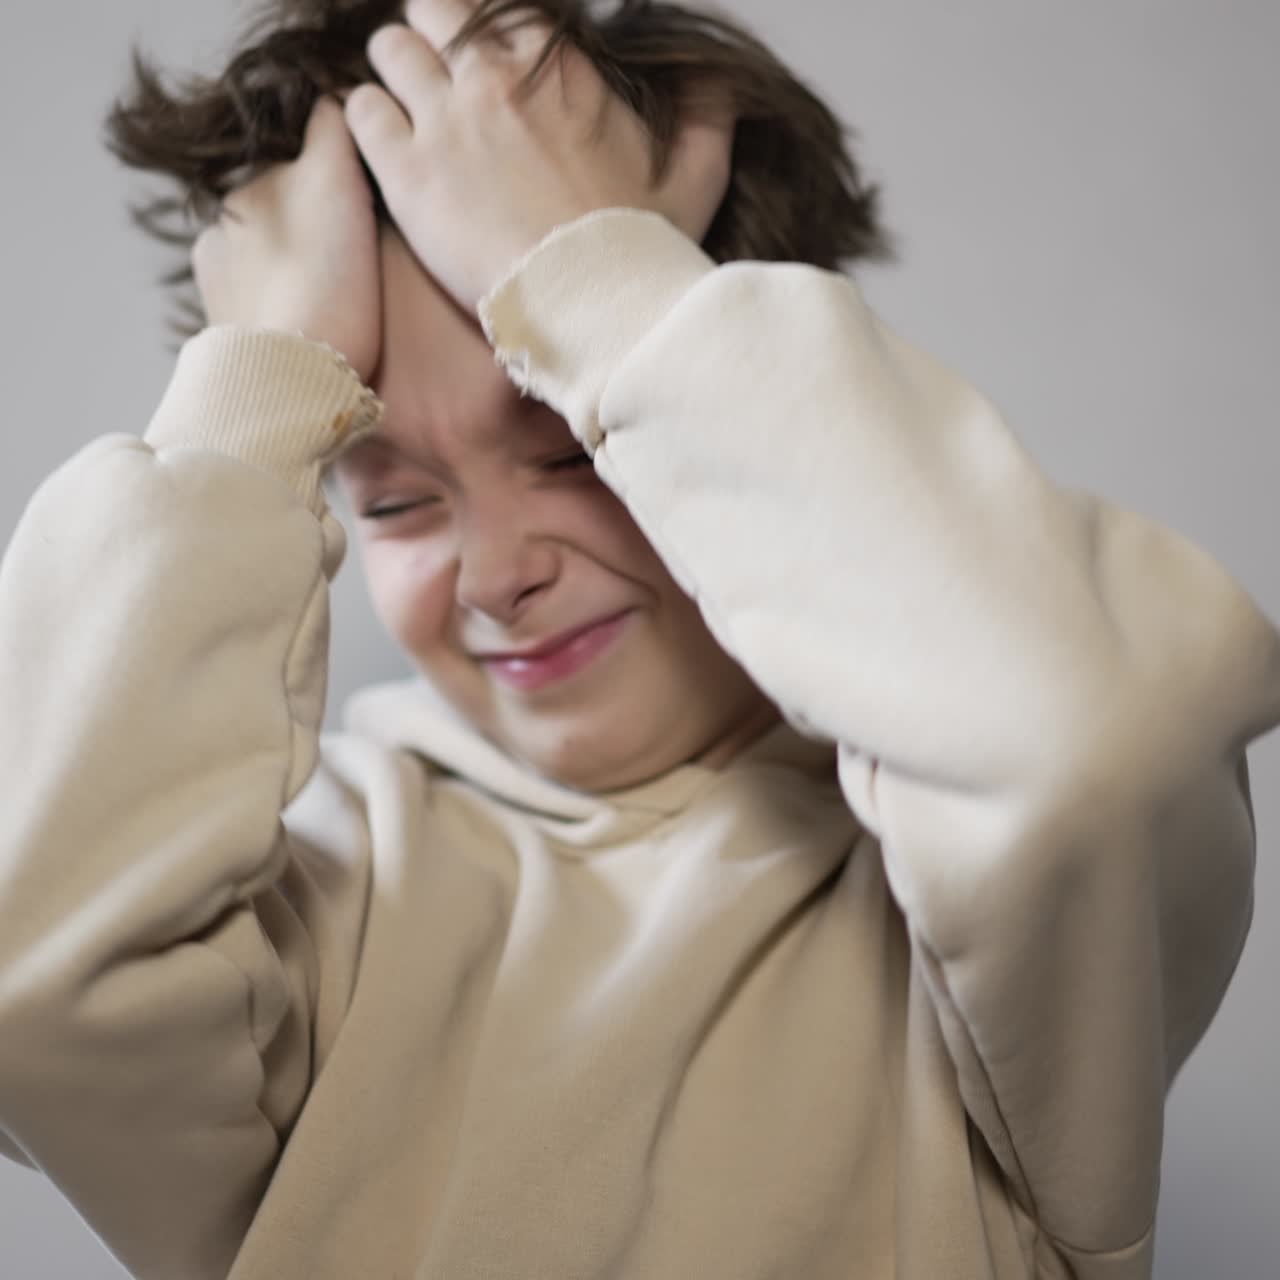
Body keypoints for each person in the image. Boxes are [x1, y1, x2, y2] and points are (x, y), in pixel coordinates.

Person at [1, 1, 1276, 1277]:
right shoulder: (292, 907)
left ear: (733, 388)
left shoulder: (971, 917)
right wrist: (253, 390)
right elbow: (33, 986)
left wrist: (593, 279)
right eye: (389, 499)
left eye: (570, 445)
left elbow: (1085, 747)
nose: (494, 576)